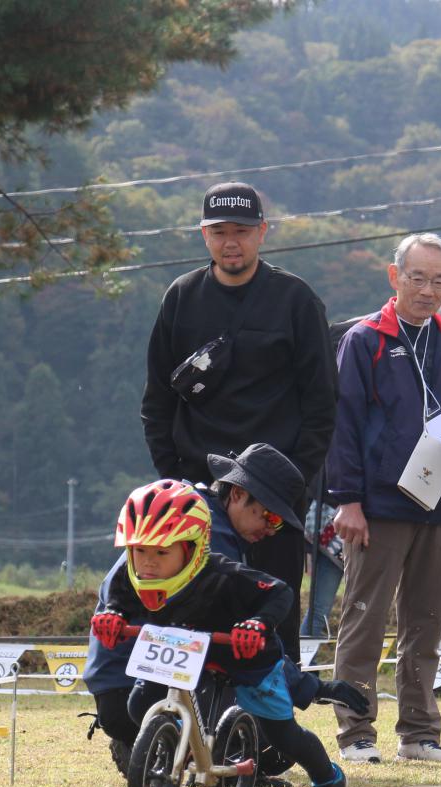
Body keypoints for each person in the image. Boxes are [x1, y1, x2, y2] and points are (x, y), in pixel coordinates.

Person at [84, 445, 366, 782]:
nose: (270, 529)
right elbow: (238, 641)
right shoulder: (207, 538)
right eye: (268, 515)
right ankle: (175, 749)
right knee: (272, 750)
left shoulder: (193, 511)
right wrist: (309, 687)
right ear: (237, 494)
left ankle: (147, 741)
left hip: (113, 680)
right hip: (137, 678)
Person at [139, 181, 335, 655]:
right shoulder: (181, 297)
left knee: (272, 626)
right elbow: (157, 402)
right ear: (203, 234)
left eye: (243, 231)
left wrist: (291, 488)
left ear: (262, 232)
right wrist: (176, 484)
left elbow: (323, 404)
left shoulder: (295, 300)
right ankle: (189, 725)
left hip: (273, 501)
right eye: (220, 231)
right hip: (197, 493)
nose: (232, 242)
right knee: (191, 618)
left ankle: (272, 727)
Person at [325, 233, 441, 764]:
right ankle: (356, 732)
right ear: (393, 277)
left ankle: (418, 733)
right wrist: (346, 500)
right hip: (376, 504)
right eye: (417, 277)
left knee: (425, 621)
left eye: (439, 279)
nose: (428, 289)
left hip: (436, 499)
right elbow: (342, 425)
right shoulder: (365, 339)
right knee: (365, 619)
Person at [300, 499, 344, 639]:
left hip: (341, 538)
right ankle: (306, 658)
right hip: (333, 541)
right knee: (319, 610)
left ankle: (306, 656)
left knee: (319, 610)